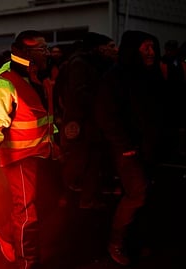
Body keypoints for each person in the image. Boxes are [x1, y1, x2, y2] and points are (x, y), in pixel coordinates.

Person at [0, 30, 60, 269]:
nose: (47, 52)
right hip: (20, 158)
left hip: (41, 154)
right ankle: (27, 263)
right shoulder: (6, 84)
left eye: (46, 48)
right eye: (41, 49)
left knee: (40, 207)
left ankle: (4, 233)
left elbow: (46, 119)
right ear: (24, 53)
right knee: (28, 215)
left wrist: (56, 142)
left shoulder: (40, 80)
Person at [95, 30, 164, 265]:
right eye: (145, 47)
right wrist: (125, 147)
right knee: (137, 193)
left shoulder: (150, 75)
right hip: (126, 149)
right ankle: (115, 242)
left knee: (148, 195)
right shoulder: (115, 77)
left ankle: (136, 240)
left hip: (148, 147)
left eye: (152, 47)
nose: (151, 52)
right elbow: (107, 115)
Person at [54, 32, 118, 209]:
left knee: (94, 161)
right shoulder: (79, 64)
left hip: (93, 121)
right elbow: (78, 93)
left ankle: (87, 200)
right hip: (80, 121)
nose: (114, 50)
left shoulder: (98, 64)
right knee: (77, 161)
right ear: (99, 47)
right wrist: (101, 104)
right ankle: (62, 196)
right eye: (111, 46)